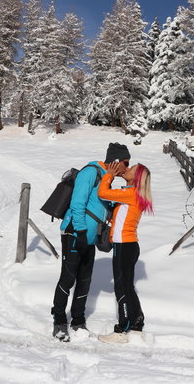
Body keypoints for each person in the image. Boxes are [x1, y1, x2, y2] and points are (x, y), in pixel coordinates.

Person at [51, 142, 131, 342]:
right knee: (68, 278)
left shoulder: (107, 178)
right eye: (125, 162)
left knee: (85, 281)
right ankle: (59, 321)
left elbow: (98, 204)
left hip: (89, 237)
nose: (127, 167)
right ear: (115, 161)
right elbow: (78, 203)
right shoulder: (90, 172)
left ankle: (78, 321)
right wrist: (79, 231)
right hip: (75, 234)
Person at [96, 161, 153, 344]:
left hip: (123, 245)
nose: (127, 169)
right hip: (129, 245)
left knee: (121, 287)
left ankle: (122, 329)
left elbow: (103, 193)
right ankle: (137, 322)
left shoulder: (131, 193)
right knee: (127, 286)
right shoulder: (133, 193)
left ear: (136, 178)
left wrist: (109, 175)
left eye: (131, 169)